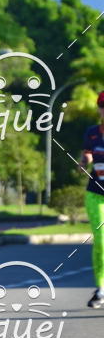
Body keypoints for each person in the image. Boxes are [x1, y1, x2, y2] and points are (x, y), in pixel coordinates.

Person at [80, 90, 104, 308]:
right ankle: (101, 289)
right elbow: (87, 153)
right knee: (101, 242)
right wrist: (84, 160)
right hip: (95, 192)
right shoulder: (92, 132)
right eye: (103, 105)